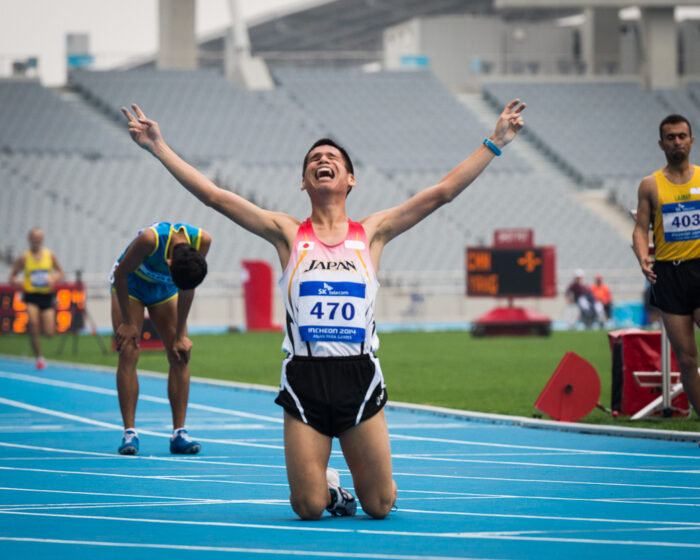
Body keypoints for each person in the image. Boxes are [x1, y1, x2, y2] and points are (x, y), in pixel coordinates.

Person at [121, 98, 525, 519]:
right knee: (308, 507)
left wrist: (494, 142)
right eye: (314, 159)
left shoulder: (372, 233)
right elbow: (214, 198)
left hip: (359, 376)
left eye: (332, 157)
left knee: (380, 506)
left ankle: (373, 483)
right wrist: (158, 146)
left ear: (350, 178)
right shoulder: (286, 233)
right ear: (304, 182)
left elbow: (441, 193)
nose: (322, 160)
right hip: (305, 377)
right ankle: (331, 490)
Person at [110, 221, 211, 455]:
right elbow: (120, 275)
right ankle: (130, 433)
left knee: (180, 354)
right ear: (168, 264)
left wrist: (180, 335)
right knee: (128, 350)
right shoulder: (150, 240)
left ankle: (180, 433)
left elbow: (187, 287)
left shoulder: (203, 241)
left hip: (164, 291)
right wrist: (127, 322)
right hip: (131, 286)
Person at [632, 113, 700, 418]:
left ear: (691, 141)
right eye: (670, 137)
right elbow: (640, 228)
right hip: (669, 274)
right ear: (661, 144)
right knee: (686, 359)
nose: (677, 142)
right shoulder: (650, 185)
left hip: (699, 268)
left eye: (681, 136)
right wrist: (641, 255)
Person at [8, 228, 64, 369]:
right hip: (31, 296)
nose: (37, 241)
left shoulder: (49, 255)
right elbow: (12, 276)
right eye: (34, 238)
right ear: (29, 239)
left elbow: (61, 272)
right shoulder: (23, 258)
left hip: (46, 296)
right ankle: (39, 358)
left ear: (42, 239)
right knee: (33, 324)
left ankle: (41, 337)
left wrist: (54, 280)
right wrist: (20, 282)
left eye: (39, 238)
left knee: (50, 333)